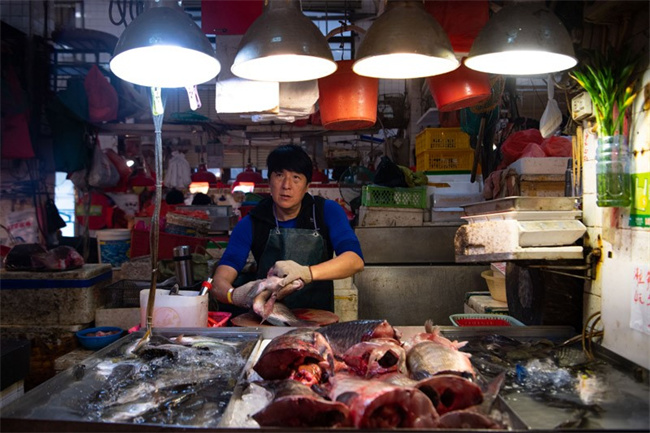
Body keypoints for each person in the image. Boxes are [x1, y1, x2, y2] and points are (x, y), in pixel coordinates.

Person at [211, 144, 364, 313]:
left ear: (307, 187)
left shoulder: (327, 211)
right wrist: (234, 295)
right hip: (266, 321)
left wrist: (306, 273)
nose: (286, 185)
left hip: (316, 321)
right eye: (279, 175)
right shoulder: (252, 222)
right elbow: (220, 280)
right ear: (269, 181)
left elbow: (355, 260)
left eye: (296, 177)